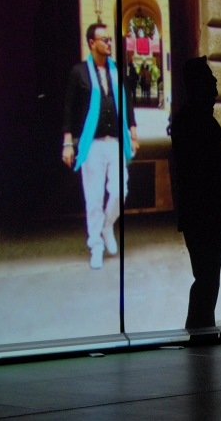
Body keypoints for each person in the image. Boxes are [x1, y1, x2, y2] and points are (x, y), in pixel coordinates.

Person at [170, 56, 221, 333]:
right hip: (205, 214)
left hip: (202, 214)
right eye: (210, 79)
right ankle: (200, 333)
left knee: (206, 279)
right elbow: (212, 172)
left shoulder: (189, 121)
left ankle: (201, 331)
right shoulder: (198, 123)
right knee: (207, 279)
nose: (215, 85)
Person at [62, 23, 139, 270]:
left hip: (115, 141)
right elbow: (69, 109)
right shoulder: (79, 73)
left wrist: (133, 133)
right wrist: (67, 143)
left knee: (119, 190)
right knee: (94, 197)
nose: (109, 43)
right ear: (91, 43)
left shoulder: (116, 71)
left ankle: (107, 226)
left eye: (109, 39)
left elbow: (127, 103)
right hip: (92, 144)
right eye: (104, 39)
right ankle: (95, 245)